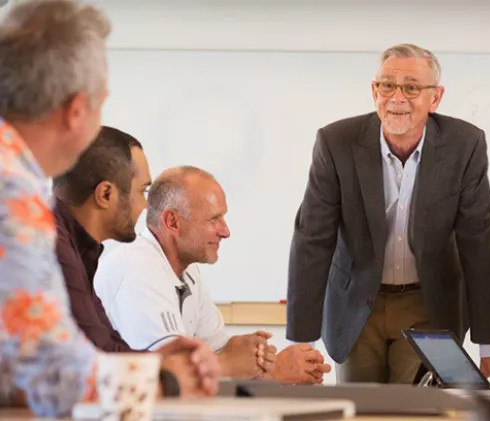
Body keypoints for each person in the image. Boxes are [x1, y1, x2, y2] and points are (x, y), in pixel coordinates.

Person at [0, 1, 218, 417]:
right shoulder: (13, 196)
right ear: (76, 111)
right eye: (101, 102)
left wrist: (154, 365)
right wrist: (167, 381)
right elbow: (50, 378)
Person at [286, 43, 490, 384]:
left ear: (435, 98)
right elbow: (312, 240)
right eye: (387, 86)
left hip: (427, 304)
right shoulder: (336, 142)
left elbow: (479, 247)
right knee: (360, 406)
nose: (397, 98)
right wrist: (300, 344)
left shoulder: (464, 145)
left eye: (411, 87)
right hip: (355, 303)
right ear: (374, 91)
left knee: (416, 406)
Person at [53, 126, 276, 379]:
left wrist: (244, 360)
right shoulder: (55, 252)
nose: (146, 206)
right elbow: (93, 371)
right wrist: (221, 365)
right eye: (142, 191)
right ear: (106, 194)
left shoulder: (78, 253)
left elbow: (109, 352)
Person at [94, 166, 331, 383]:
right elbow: (171, 376)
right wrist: (274, 369)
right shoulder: (136, 269)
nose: (225, 231)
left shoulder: (188, 271)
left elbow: (219, 354)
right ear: (172, 221)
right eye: (214, 219)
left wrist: (260, 361)